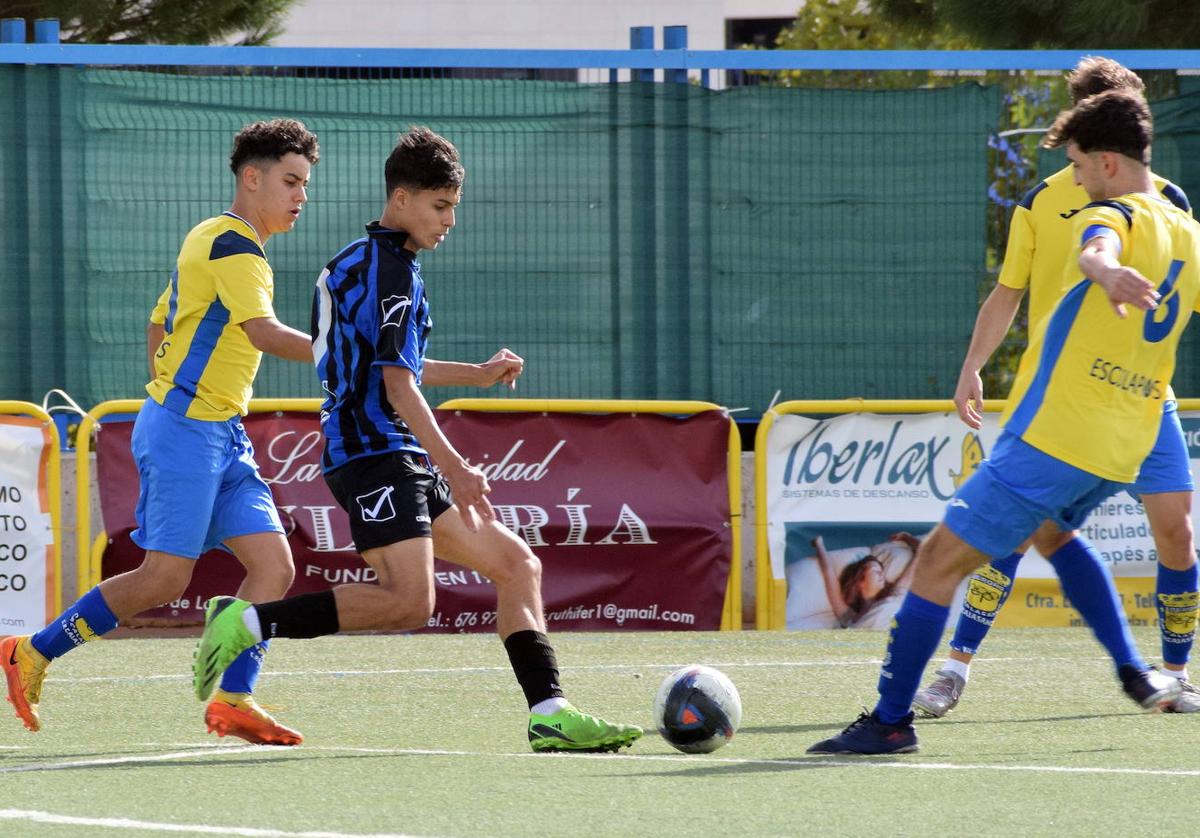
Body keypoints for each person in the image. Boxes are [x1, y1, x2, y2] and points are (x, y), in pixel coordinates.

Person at [191, 126, 643, 753]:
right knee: (409, 603)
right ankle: (247, 620)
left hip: (390, 451)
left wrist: (475, 375)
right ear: (400, 199)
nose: (450, 219)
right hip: (373, 453)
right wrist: (456, 465)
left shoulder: (353, 261)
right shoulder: (393, 275)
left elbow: (385, 364)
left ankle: (550, 711)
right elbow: (398, 387)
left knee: (517, 565)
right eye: (440, 205)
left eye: (454, 205)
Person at [809, 88, 1200, 755]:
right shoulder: (1188, 231)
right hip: (1124, 442)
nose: (1072, 178)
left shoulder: (1110, 215)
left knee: (933, 563)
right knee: (1050, 537)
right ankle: (1135, 670)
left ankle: (889, 721)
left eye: (1077, 163)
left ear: (1107, 162)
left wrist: (1104, 270)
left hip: (1055, 434)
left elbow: (1097, 248)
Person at [1, 118, 320, 746]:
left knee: (273, 568)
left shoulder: (214, 240)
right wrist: (348, 355)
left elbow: (159, 323)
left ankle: (233, 699)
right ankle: (30, 652)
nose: (301, 196)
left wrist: (176, 390)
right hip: (185, 434)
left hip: (218, 431)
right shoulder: (233, 246)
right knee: (164, 578)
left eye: (305, 184)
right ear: (251, 178)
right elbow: (265, 334)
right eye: (290, 181)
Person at [914, 57, 1199, 718]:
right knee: (1012, 534)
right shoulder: (1044, 201)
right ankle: (954, 669)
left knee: (1177, 533)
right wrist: (972, 365)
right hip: (1063, 400)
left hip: (1143, 398)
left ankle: (1175, 676)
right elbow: (1009, 291)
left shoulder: (1170, 204)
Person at [811, 533, 920, 629]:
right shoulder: (848, 616)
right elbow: (829, 574)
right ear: (858, 582)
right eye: (875, 571)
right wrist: (819, 545)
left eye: (881, 571)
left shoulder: (897, 594)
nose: (882, 574)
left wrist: (906, 537)